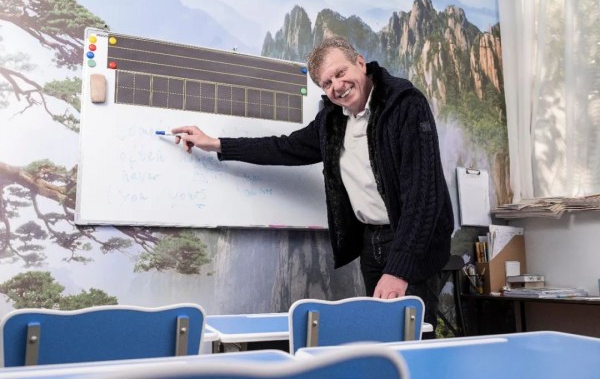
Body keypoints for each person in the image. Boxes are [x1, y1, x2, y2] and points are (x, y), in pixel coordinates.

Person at [171, 36, 454, 338]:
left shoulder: (405, 104)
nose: (337, 86)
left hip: (415, 241)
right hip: (372, 243)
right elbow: (283, 148)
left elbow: (423, 196)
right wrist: (216, 144)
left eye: (341, 73)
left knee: (414, 338)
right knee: (384, 338)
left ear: (360, 63)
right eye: (327, 83)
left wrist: (399, 270)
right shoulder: (332, 121)